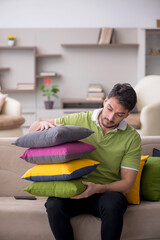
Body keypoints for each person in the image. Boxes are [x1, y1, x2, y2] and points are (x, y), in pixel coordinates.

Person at [29, 83, 141, 240]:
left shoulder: (132, 138)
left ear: (128, 114)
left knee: (114, 202)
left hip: (105, 193)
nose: (110, 117)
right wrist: (41, 125)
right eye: (109, 108)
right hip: (74, 189)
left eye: (119, 115)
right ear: (105, 101)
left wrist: (98, 188)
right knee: (54, 204)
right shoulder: (79, 119)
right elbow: (32, 129)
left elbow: (128, 184)